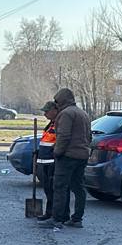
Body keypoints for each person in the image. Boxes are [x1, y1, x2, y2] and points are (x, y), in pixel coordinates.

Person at [38, 87, 92, 230]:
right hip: (82, 155)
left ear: (61, 100)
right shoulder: (83, 113)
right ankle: (77, 219)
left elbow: (64, 136)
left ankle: (57, 219)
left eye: (57, 101)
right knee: (78, 188)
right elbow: (89, 136)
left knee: (59, 187)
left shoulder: (66, 114)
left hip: (68, 156)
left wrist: (57, 152)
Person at [33, 100, 59, 220]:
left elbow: (59, 142)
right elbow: (46, 141)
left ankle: (52, 214)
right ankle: (49, 213)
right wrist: (38, 152)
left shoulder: (59, 124)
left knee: (52, 190)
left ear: (55, 111)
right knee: (47, 190)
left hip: (52, 162)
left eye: (47, 111)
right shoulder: (50, 125)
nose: (45, 114)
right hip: (44, 161)